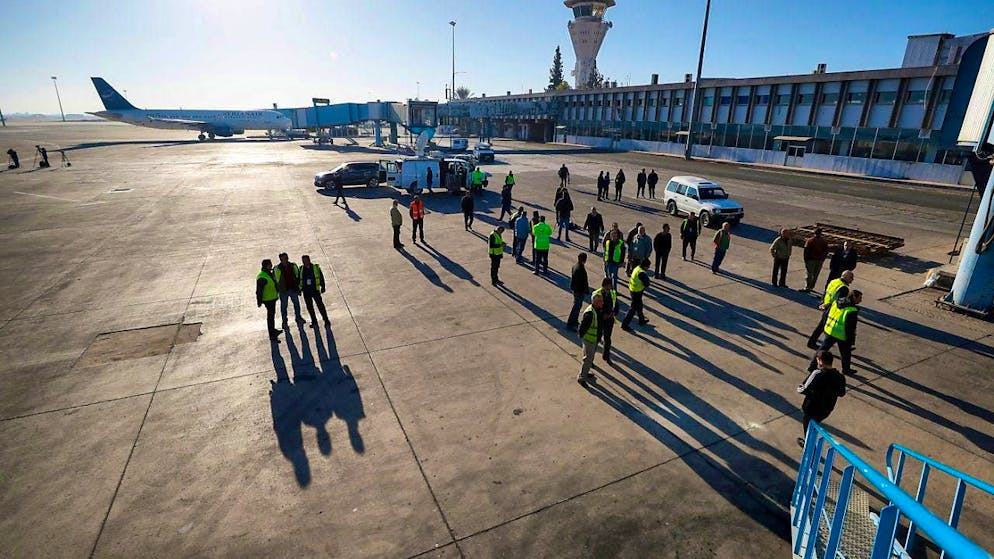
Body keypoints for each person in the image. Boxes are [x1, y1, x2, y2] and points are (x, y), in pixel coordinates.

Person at [796, 350, 846, 447]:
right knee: (814, 426)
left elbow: (802, 389)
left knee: (808, 427)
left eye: (818, 360)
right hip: (826, 409)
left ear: (821, 361)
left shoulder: (817, 373)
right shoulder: (840, 377)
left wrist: (805, 389)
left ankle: (810, 447)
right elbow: (841, 393)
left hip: (811, 408)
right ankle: (809, 444)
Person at [809, 290, 862, 377]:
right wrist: (851, 340)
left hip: (831, 331)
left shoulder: (837, 302)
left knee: (822, 350)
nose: (861, 300)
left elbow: (827, 314)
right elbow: (851, 328)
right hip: (842, 335)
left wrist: (825, 327)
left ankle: (812, 366)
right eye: (859, 298)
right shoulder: (852, 310)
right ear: (854, 297)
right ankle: (846, 369)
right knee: (846, 353)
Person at [807, 270, 853, 349]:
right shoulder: (843, 288)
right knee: (830, 329)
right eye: (851, 277)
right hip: (832, 310)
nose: (852, 279)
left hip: (826, 306)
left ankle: (812, 342)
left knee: (822, 326)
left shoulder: (834, 281)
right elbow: (840, 302)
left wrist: (823, 302)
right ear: (845, 277)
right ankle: (818, 344)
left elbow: (826, 291)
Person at [576, 293, 604, 388]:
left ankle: (586, 372)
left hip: (594, 339)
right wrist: (583, 337)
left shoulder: (597, 310)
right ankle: (581, 378)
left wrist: (599, 337)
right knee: (588, 359)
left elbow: (598, 326)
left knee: (589, 358)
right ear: (596, 302)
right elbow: (583, 327)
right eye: (601, 301)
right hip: (589, 340)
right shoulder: (590, 313)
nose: (602, 303)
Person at [298, 255, 330, 327]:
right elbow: (299, 279)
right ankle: (314, 321)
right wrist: (299, 289)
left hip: (315, 290)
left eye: (306, 260)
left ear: (309, 260)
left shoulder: (315, 268)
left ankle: (326, 320)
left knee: (320, 306)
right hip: (306, 291)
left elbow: (321, 277)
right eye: (303, 261)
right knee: (310, 307)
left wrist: (323, 287)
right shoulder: (301, 269)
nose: (305, 262)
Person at [274, 252, 305, 326]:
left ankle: (298, 317)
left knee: (296, 304)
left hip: (293, 289)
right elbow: (275, 280)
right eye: (283, 259)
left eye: (286, 258)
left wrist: (298, 288)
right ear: (280, 260)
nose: (285, 260)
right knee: (284, 307)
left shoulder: (292, 266)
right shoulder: (277, 268)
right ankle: (284, 321)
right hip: (283, 291)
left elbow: (297, 276)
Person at [592, 277, 618, 363]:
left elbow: (616, 304)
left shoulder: (612, 293)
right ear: (605, 285)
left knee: (607, 339)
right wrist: (602, 315)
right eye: (609, 286)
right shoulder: (597, 293)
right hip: (600, 320)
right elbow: (594, 308)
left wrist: (614, 313)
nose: (610, 287)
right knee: (596, 339)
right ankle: (590, 359)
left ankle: (606, 356)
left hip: (609, 319)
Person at [621, 258, 651, 331]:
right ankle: (624, 324)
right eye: (648, 266)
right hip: (637, 292)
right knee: (633, 309)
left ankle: (641, 320)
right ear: (645, 266)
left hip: (633, 290)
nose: (648, 268)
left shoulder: (637, 268)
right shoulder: (641, 273)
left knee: (639, 305)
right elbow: (647, 284)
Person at [256, 259, 282, 341]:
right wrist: (259, 301)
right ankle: (272, 335)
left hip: (272, 298)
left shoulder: (268, 273)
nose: (271, 266)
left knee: (271, 316)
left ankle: (273, 330)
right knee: (270, 317)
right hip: (268, 299)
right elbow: (259, 290)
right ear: (266, 265)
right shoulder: (262, 277)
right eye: (270, 264)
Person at [566, 253, 590, 330]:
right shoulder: (580, 269)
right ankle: (571, 323)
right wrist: (585, 290)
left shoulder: (576, 266)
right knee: (576, 307)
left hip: (576, 289)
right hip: (579, 291)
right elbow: (582, 282)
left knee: (577, 307)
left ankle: (575, 321)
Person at [802, 228, 830, 292]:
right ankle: (811, 287)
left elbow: (806, 251)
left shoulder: (810, 240)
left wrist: (806, 260)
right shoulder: (824, 241)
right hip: (820, 260)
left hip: (811, 260)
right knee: (815, 274)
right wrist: (823, 259)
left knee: (809, 274)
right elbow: (826, 251)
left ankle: (807, 287)